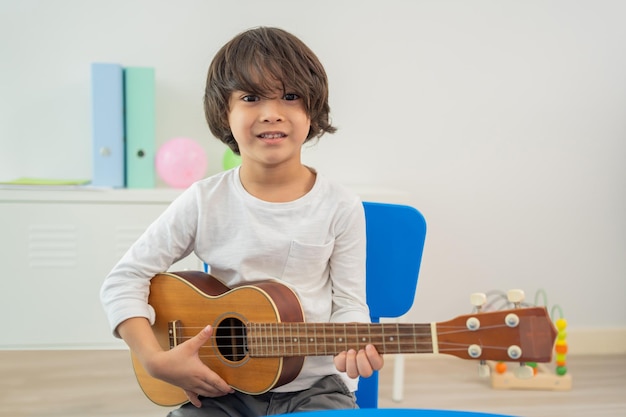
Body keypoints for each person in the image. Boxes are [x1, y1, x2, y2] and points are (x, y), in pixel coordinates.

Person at [100, 26, 383, 416]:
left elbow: (350, 304)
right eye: (250, 98)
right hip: (219, 386)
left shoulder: (341, 206)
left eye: (289, 96)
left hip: (314, 388)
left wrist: (354, 338)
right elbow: (124, 278)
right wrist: (154, 359)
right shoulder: (204, 201)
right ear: (224, 113)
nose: (271, 113)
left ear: (312, 109)